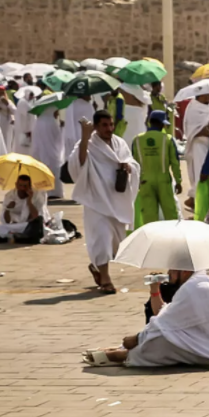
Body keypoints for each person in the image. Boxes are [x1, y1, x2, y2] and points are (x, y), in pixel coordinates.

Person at [81, 268, 209, 368]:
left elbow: (161, 325)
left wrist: (135, 339)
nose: (168, 273)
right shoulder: (199, 283)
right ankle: (119, 350)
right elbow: (164, 315)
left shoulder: (194, 287)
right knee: (161, 333)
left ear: (185, 271)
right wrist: (155, 289)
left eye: (172, 270)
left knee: (159, 339)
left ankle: (121, 355)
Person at [68, 109, 137, 295]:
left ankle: (97, 267)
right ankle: (106, 280)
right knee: (102, 239)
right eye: (104, 125)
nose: (109, 128)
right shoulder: (88, 143)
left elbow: (132, 162)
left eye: (111, 124)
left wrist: (128, 166)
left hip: (116, 201)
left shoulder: (119, 143)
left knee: (116, 245)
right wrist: (84, 136)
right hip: (95, 201)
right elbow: (78, 165)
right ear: (96, 127)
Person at [132, 110, 180, 228]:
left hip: (145, 181)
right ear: (161, 123)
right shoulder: (167, 139)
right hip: (164, 180)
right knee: (170, 215)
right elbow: (175, 162)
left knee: (149, 216)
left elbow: (133, 163)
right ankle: (173, 238)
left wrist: (136, 182)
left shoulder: (137, 140)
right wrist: (178, 181)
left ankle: (151, 240)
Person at [0, 173, 48, 243]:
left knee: (34, 227)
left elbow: (37, 218)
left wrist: (29, 201)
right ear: (16, 185)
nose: (22, 188)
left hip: (30, 226)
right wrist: (8, 209)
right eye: (20, 185)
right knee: (1, 228)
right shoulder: (10, 196)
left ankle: (15, 236)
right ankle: (16, 236)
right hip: (16, 226)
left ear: (30, 186)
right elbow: (6, 221)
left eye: (25, 186)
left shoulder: (37, 195)